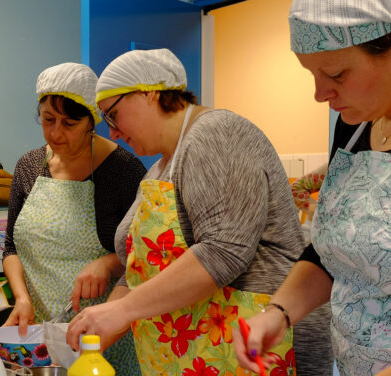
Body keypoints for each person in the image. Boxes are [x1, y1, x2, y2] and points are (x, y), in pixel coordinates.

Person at [65, 48, 334, 375]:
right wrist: (103, 323)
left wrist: (123, 311)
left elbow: (224, 251)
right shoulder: (159, 170)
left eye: (112, 114)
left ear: (150, 92)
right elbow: (137, 269)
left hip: (249, 347)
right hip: (184, 355)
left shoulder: (217, 133)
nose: (113, 133)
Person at [234, 2, 391, 375]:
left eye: (336, 74)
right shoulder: (354, 128)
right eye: (312, 74)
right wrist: (279, 312)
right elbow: (334, 253)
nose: (320, 94)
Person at [2, 62, 146, 375]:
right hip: (40, 334)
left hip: (104, 337)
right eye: (48, 119)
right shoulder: (29, 166)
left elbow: (146, 255)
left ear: (91, 122)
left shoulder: (123, 171)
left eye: (69, 123)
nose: (55, 132)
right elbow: (11, 246)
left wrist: (108, 263)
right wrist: (21, 297)